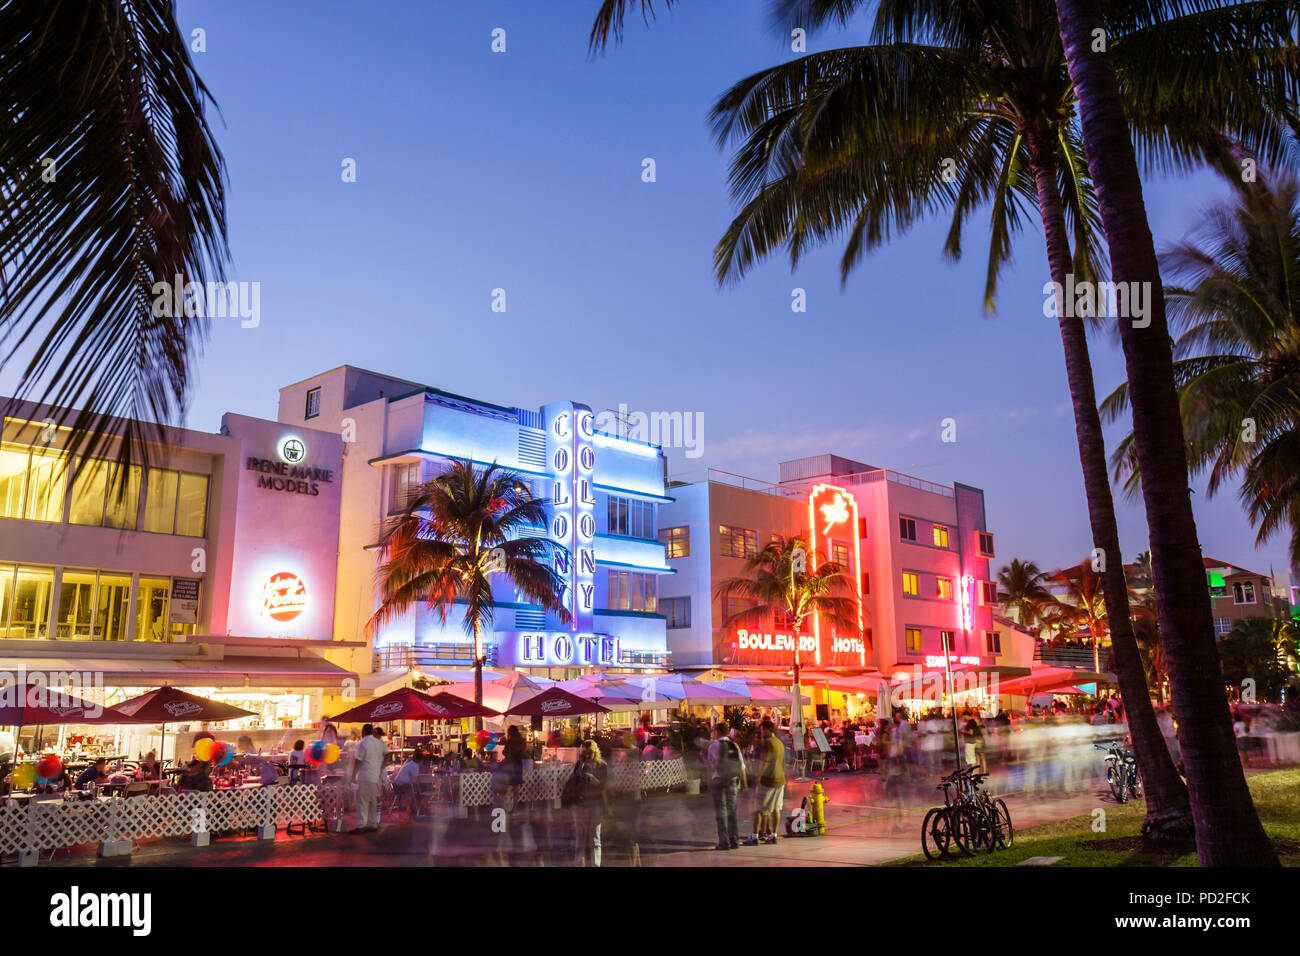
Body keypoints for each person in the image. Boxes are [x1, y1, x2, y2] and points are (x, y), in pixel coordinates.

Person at [743, 719, 785, 846]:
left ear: (767, 729)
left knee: (758, 808)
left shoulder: (768, 743)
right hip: (780, 779)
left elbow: (764, 762)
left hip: (768, 780)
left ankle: (755, 836)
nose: (761, 733)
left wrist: (758, 776)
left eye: (762, 730)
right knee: (776, 809)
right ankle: (774, 835)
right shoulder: (779, 743)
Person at [568, 739, 608, 866]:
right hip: (580, 804)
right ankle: (578, 864)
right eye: (584, 753)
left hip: (595, 804)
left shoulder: (601, 765)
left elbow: (602, 786)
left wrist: (591, 778)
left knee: (595, 839)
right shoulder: (579, 764)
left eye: (589, 753)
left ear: (595, 752)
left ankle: (595, 864)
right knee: (580, 838)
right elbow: (573, 783)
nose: (586, 755)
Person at [707, 722, 747, 850]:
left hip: (718, 780)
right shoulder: (734, 745)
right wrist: (744, 783)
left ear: (717, 732)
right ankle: (734, 840)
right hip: (733, 781)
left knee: (721, 812)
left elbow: (710, 765)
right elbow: (742, 766)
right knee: (732, 811)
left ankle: (724, 842)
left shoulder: (713, 746)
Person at [350, 724, 386, 833]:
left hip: (366, 776)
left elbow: (358, 760)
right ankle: (373, 823)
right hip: (376, 777)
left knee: (363, 802)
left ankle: (362, 825)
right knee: (373, 801)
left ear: (364, 731)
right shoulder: (379, 742)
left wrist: (353, 776)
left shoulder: (364, 742)